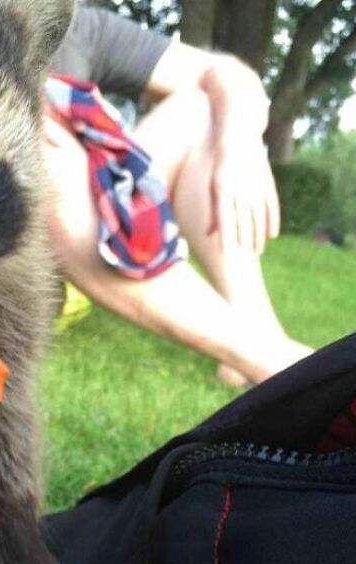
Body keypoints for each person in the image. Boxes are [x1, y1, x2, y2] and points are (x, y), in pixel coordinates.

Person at [45, 5, 311, 386]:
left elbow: (227, 75)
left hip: (98, 247)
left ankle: (257, 329)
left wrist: (238, 144)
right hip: (10, 263)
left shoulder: (77, 28)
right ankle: (273, 362)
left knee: (205, 107)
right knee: (37, 142)